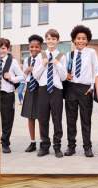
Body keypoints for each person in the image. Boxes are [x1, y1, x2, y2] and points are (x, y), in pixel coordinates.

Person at [64, 25, 98, 158]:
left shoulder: (91, 52)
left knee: (86, 120)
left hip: (86, 89)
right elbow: (64, 71)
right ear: (74, 39)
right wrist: (65, 75)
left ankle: (87, 147)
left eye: (84, 38)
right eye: (78, 38)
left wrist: (92, 87)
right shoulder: (69, 54)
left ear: (87, 40)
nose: (81, 41)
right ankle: (71, 147)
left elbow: (96, 70)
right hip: (71, 88)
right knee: (70, 120)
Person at [33, 29, 67, 158]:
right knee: (43, 119)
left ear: (57, 40)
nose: (51, 41)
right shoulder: (41, 55)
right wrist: (43, 65)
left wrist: (57, 64)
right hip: (43, 90)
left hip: (56, 90)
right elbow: (35, 75)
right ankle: (44, 146)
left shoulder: (62, 56)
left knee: (57, 119)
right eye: (48, 38)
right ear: (46, 40)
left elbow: (64, 77)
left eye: (53, 39)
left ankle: (57, 146)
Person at [0, 38, 25, 153]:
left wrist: (12, 78)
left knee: (7, 120)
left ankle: (5, 143)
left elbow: (22, 76)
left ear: (8, 49)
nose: (1, 51)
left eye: (3, 48)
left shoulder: (12, 61)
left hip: (7, 94)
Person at [21, 34, 44, 153]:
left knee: (40, 116)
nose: (34, 49)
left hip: (40, 88)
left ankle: (42, 142)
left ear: (40, 48)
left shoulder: (43, 58)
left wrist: (33, 70)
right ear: (29, 47)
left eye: (36, 47)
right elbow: (24, 78)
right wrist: (26, 71)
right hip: (30, 88)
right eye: (31, 47)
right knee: (30, 117)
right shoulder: (26, 60)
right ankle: (32, 142)